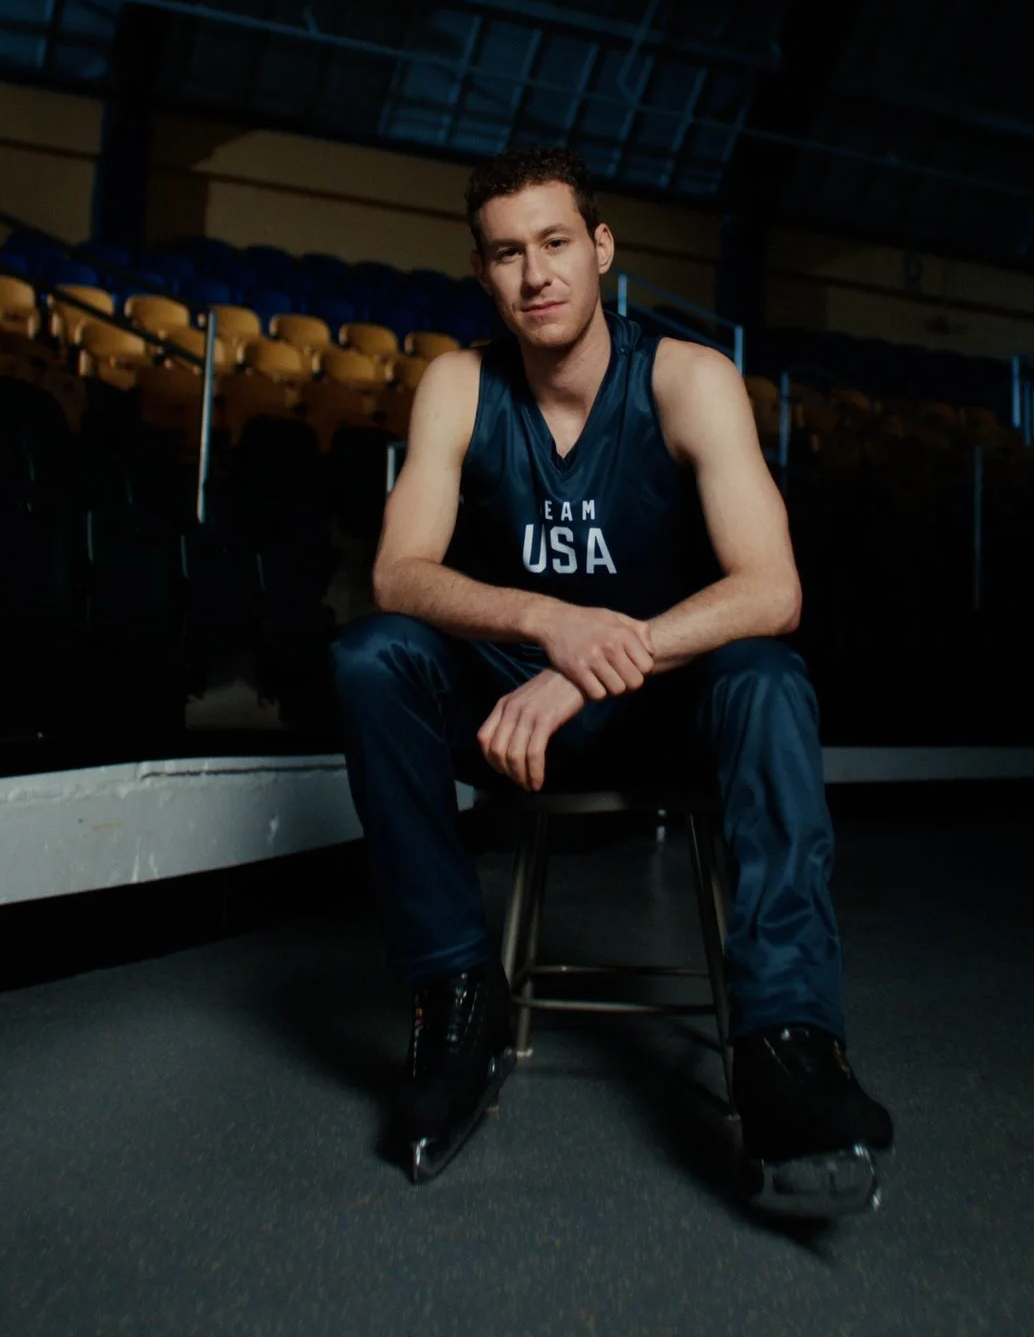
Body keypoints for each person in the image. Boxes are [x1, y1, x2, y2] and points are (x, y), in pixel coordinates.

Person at [332, 144, 892, 1217]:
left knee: (768, 677)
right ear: (483, 272)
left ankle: (785, 1045)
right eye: (506, 254)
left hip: (665, 709)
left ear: (599, 249)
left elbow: (771, 589)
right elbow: (398, 574)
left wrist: (588, 672)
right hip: (512, 707)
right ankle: (455, 1000)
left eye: (554, 244)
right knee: (369, 660)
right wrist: (550, 625)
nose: (534, 273)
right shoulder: (458, 384)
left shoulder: (687, 379)